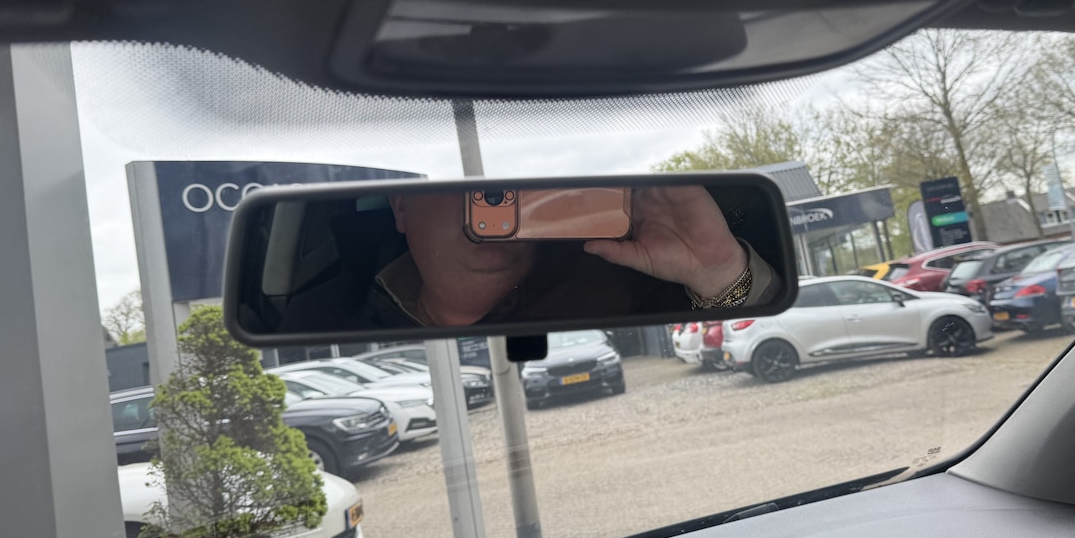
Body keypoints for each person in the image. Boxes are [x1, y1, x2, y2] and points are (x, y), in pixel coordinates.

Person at [277, 184, 782, 332]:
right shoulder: (323, 316)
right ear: (401, 206)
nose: (495, 203)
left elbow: (745, 330)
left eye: (509, 184)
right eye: (464, 180)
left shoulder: (620, 272)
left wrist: (719, 271)